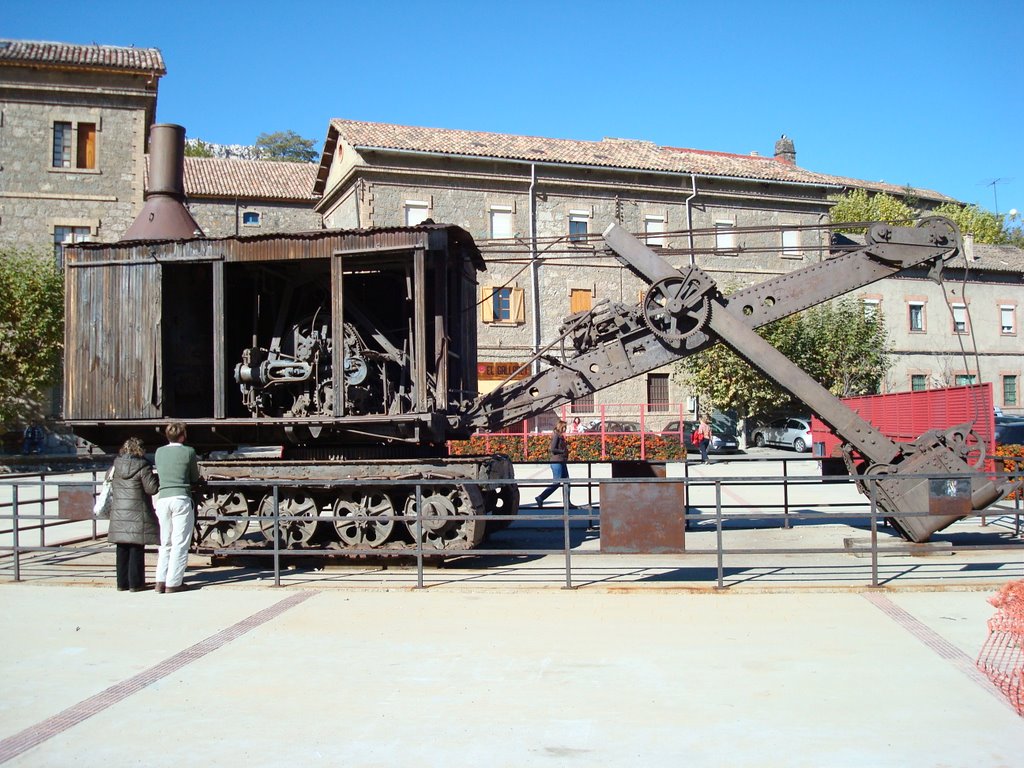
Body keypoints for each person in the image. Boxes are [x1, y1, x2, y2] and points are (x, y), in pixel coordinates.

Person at [154, 422, 201, 594]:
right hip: (181, 498)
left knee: (165, 541)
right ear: (183, 435)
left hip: (163, 499)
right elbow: (194, 477)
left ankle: (160, 581)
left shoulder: (159, 452)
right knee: (180, 542)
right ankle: (174, 583)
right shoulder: (188, 452)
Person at [108, 437, 160, 592]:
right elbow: (151, 489)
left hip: (119, 511)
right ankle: (135, 584)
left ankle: (121, 583)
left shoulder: (116, 465)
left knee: (122, 547)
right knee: (136, 547)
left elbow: (108, 480)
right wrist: (156, 478)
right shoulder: (143, 465)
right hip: (137, 511)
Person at [535, 419, 572, 507]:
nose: (565, 429)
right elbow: (552, 449)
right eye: (564, 427)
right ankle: (540, 497)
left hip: (561, 461)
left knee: (567, 481)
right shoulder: (556, 435)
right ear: (561, 427)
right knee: (557, 483)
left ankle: (567, 503)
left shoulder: (560, 436)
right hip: (557, 461)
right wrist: (562, 451)